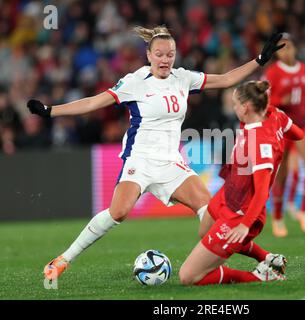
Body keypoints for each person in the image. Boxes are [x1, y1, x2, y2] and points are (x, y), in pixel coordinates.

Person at [27, 26, 286, 281]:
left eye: (170, 54)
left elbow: (226, 79)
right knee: (118, 212)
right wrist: (51, 111)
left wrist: (259, 60)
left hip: (172, 163)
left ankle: (265, 259)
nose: (165, 59)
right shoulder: (134, 82)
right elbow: (93, 102)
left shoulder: (183, 77)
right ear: (149, 55)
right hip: (140, 160)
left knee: (212, 217)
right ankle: (63, 259)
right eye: (160, 54)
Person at [179, 80, 304, 285]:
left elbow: (262, 192)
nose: (233, 107)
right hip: (229, 194)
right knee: (204, 232)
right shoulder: (274, 114)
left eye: (235, 104)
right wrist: (278, 124)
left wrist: (245, 226)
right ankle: (266, 257)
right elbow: (298, 134)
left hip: (241, 212)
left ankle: (260, 276)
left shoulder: (260, 142)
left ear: (246, 107)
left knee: (188, 277)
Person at [262, 33, 305, 237]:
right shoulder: (273, 73)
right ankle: (279, 219)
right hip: (283, 127)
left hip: (303, 123)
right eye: (282, 48)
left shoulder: (303, 69)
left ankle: (304, 212)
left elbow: (304, 93)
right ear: (277, 54)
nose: (286, 51)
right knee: (281, 176)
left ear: (295, 49)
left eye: (289, 47)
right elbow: (266, 102)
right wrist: (283, 98)